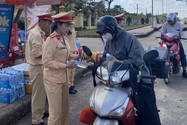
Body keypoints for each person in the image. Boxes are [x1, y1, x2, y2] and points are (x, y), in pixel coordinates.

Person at [96, 15, 161, 125]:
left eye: (104, 32)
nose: (103, 35)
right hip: (118, 78)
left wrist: (121, 62)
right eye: (101, 33)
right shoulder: (109, 40)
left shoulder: (128, 38)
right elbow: (106, 56)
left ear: (112, 29)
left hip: (138, 76)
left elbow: (137, 60)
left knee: (146, 110)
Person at [42, 11, 78, 125]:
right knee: (55, 113)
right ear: (58, 25)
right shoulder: (51, 40)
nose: (68, 29)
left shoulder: (64, 38)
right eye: (66, 26)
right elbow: (46, 62)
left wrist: (76, 56)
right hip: (53, 81)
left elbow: (66, 54)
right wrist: (65, 65)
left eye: (69, 26)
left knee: (65, 109)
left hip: (63, 79)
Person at [25, 12, 54, 125]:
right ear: (41, 22)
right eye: (48, 23)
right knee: (38, 95)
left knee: (42, 94)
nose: (49, 25)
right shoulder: (36, 34)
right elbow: (37, 53)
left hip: (40, 67)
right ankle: (36, 121)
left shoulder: (39, 32)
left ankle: (40, 112)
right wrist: (50, 53)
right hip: (37, 68)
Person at [161, 12, 187, 78]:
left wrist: (180, 40)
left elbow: (183, 34)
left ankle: (184, 71)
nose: (170, 23)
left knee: (182, 55)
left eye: (171, 22)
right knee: (160, 53)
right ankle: (159, 69)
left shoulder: (179, 25)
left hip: (176, 42)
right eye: (169, 22)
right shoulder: (165, 24)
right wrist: (162, 38)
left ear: (175, 20)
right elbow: (163, 32)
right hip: (167, 42)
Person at [67, 16, 78, 94]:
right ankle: (69, 86)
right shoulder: (67, 29)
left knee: (72, 70)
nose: (73, 20)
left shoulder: (73, 28)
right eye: (72, 19)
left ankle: (72, 85)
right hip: (69, 52)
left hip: (74, 50)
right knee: (69, 70)